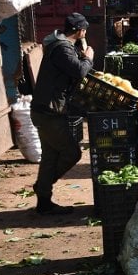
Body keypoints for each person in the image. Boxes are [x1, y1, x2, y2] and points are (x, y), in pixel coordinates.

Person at [29, 13, 94, 215]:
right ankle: (42, 187)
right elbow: (79, 71)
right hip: (49, 112)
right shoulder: (62, 48)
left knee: (50, 156)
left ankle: (44, 202)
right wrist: (89, 58)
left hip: (45, 110)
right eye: (84, 30)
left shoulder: (61, 45)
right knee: (71, 152)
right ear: (79, 30)